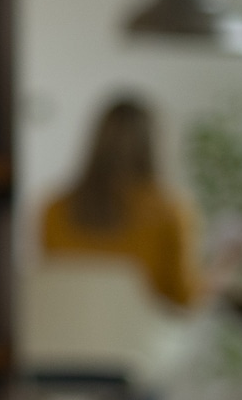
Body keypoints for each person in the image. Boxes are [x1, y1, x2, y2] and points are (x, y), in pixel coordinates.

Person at [40, 96, 201, 308]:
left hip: (64, 336)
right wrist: (223, 269)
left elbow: (53, 285)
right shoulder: (170, 212)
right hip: (139, 338)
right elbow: (183, 297)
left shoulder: (54, 209)